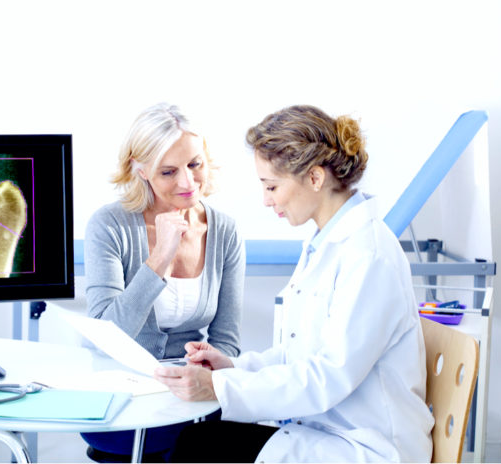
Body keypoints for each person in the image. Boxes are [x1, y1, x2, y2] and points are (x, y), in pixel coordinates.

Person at [154, 104, 434, 463]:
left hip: (366, 444)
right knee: (197, 439)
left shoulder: (368, 255)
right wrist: (231, 368)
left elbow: (328, 376)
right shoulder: (325, 242)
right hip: (325, 428)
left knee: (200, 447)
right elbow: (298, 354)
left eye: (271, 186)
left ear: (315, 178)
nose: (266, 200)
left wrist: (219, 388)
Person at [82, 102, 245, 461]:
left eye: (194, 164)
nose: (187, 182)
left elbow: (228, 345)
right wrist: (159, 260)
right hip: (121, 392)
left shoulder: (225, 232)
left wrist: (206, 368)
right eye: (168, 171)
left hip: (192, 395)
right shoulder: (108, 226)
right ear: (141, 171)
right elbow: (104, 334)